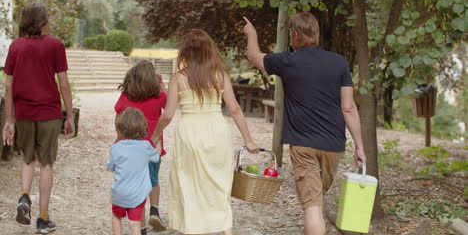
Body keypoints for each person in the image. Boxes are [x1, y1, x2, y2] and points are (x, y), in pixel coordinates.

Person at [242, 12, 367, 235]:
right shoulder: (339, 63)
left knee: (313, 207)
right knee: (315, 202)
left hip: (303, 146)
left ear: (296, 35)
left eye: (291, 33)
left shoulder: (287, 61)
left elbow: (254, 56)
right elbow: (348, 107)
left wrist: (252, 33)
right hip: (333, 145)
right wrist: (360, 146)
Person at [152, 29, 259, 235]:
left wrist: (155, 135)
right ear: (209, 49)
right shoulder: (220, 74)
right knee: (219, 182)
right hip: (216, 131)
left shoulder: (178, 78)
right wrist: (249, 140)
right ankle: (226, 229)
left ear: (186, 51)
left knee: (190, 182)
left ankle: (193, 228)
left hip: (190, 133)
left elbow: (167, 115)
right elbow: (235, 109)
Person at [2, 2, 75, 234]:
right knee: (46, 164)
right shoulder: (56, 45)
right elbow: (63, 83)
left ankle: (24, 196)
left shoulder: (15, 47)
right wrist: (69, 116)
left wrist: (9, 120)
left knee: (27, 159)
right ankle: (43, 219)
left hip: (23, 113)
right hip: (49, 114)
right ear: (42, 21)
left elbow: (9, 85)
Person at [114, 60, 167, 234]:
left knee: (138, 188)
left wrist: (118, 139)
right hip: (152, 147)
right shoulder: (158, 97)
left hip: (130, 150)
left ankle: (142, 227)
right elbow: (169, 107)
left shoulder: (125, 97)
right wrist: (162, 85)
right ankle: (155, 210)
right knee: (153, 181)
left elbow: (118, 120)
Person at [108, 107, 160, 235]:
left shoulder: (116, 148)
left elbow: (111, 167)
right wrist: (158, 143)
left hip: (119, 193)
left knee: (116, 216)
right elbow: (156, 156)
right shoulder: (145, 147)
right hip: (137, 195)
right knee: (134, 223)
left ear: (120, 128)